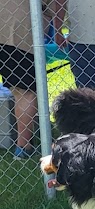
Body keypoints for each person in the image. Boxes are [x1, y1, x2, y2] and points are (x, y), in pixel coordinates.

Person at [0, 0, 63, 159]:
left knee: (18, 90)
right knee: (25, 91)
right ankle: (23, 147)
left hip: (8, 23)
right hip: (21, 28)